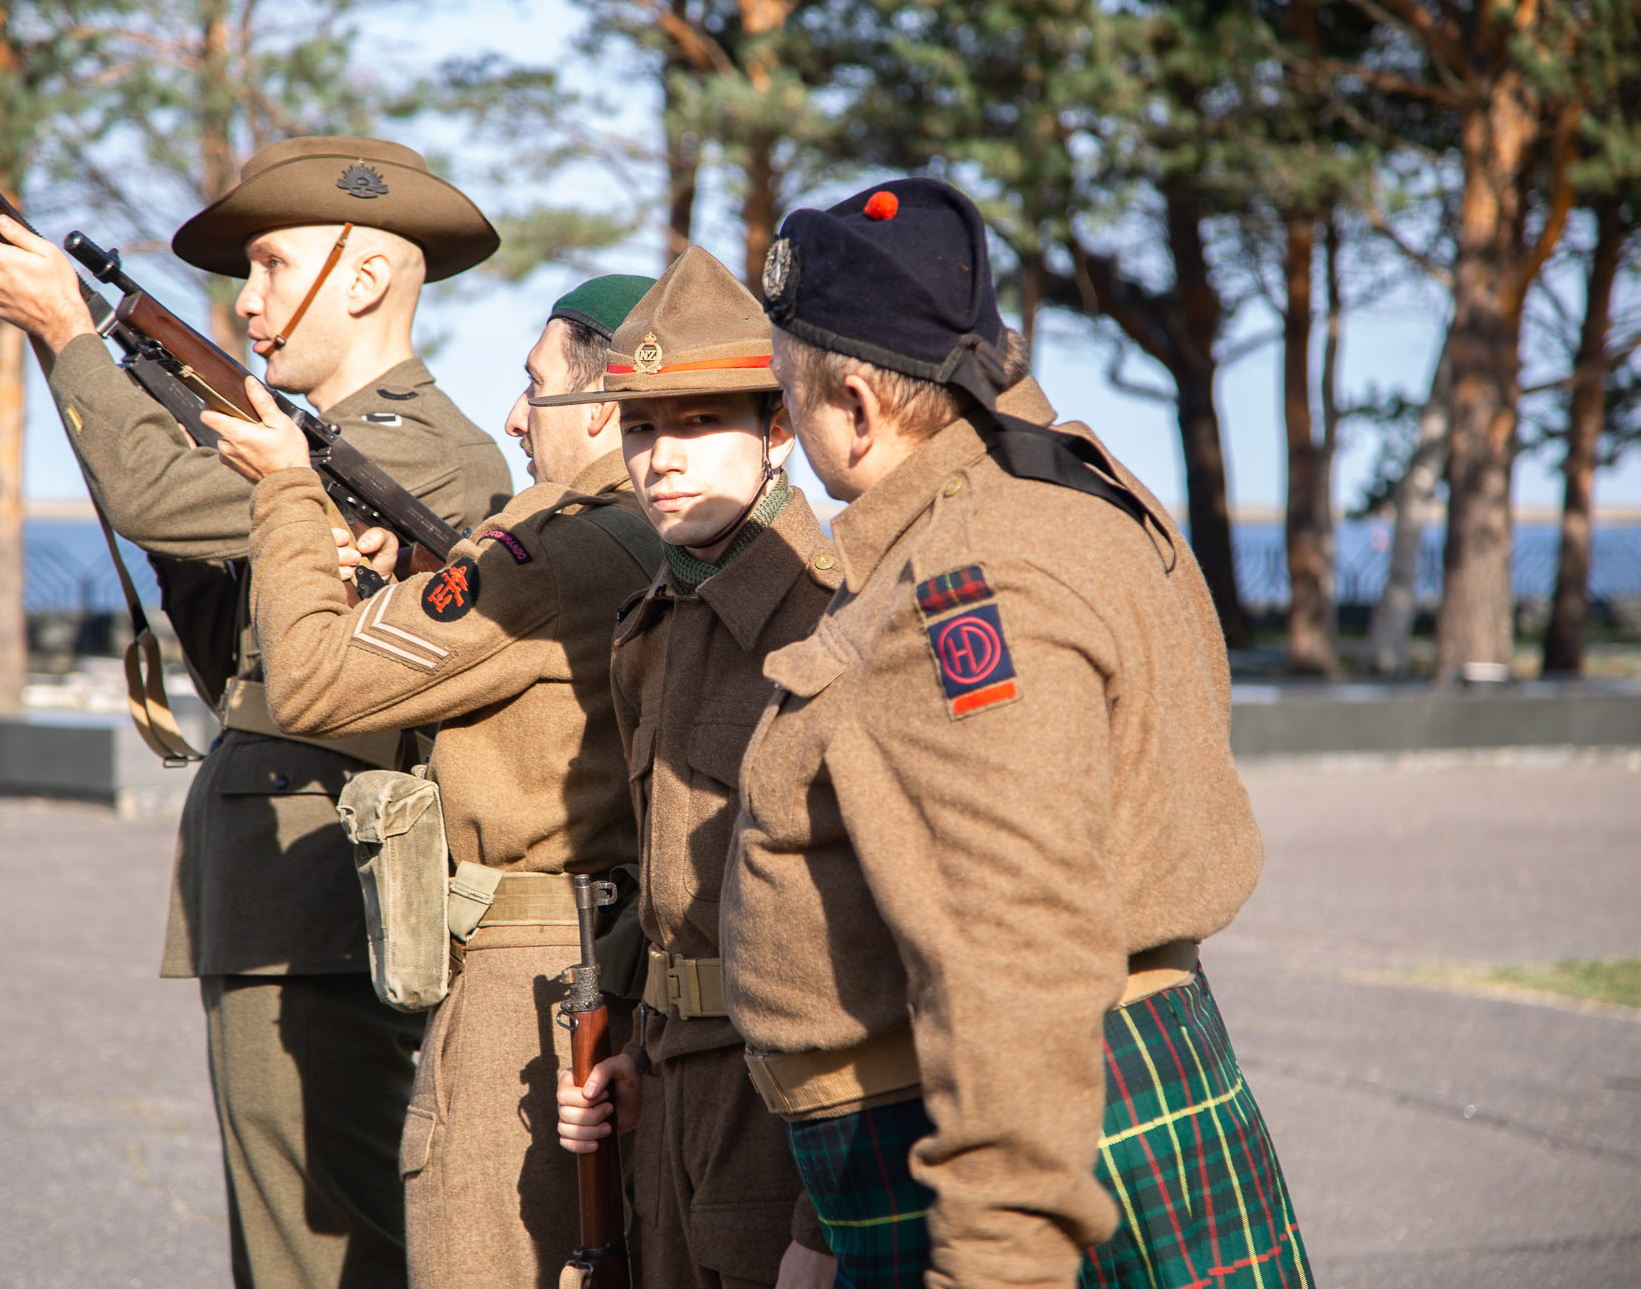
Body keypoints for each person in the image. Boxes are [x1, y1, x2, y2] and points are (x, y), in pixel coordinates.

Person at [720, 177, 1312, 1289]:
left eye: (789, 402)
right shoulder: (1062, 487)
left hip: (1010, 1150)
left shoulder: (959, 583)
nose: (790, 438)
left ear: (855, 402)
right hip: (1072, 1105)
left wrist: (999, 1259)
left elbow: (1012, 940)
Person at [0, 136, 511, 1289]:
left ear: (362, 278)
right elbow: (232, 664)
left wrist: (68, 334)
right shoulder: (311, 454)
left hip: (325, 899)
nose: (248, 301)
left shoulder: (422, 454)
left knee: (325, 1245)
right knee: (287, 1239)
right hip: (279, 895)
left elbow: (153, 491)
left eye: (269, 265)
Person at [202, 273, 662, 1289]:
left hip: (523, 981)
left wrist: (284, 486)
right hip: (625, 968)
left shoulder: (552, 551)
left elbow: (315, 686)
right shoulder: (659, 543)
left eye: (534, 389)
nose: (511, 417)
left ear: (602, 406)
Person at [546, 248, 839, 1289]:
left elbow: (870, 934)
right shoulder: (652, 627)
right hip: (671, 1081)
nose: (659, 458)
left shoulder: (829, 617)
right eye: (638, 427)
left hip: (787, 1101)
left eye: (697, 422)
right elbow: (668, 887)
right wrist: (633, 1041)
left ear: (776, 431)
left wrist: (827, 1206)